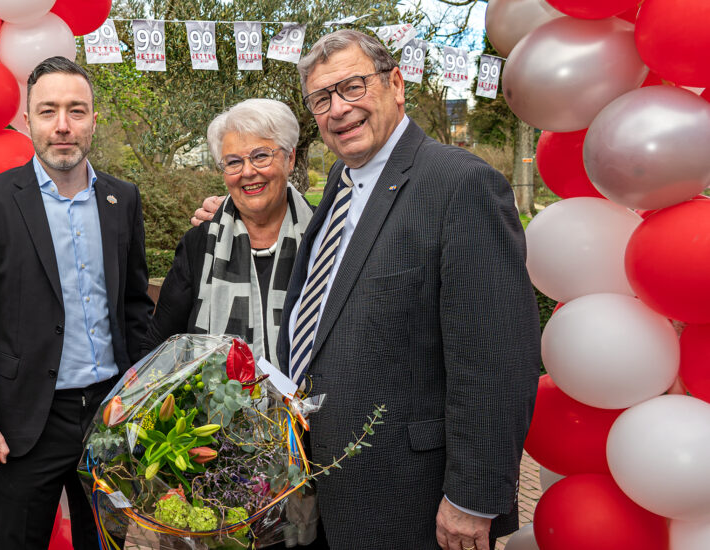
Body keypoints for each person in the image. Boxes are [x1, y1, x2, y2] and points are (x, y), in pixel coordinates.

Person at [193, 30, 541, 550]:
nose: (339, 109)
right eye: (322, 99)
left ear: (396, 84)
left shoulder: (458, 184)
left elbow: (495, 357)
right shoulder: (341, 180)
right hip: (327, 485)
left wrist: (473, 497)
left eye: (353, 87)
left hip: (408, 496)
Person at [0, 56, 154, 549]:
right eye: (48, 111)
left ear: (93, 120)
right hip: (25, 424)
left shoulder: (122, 199)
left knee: (110, 543)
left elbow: (133, 306)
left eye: (76, 110)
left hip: (110, 415)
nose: (63, 126)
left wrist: (144, 396)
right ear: (27, 121)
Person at [141, 98, 314, 366]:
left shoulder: (324, 235)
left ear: (289, 158)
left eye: (260, 156)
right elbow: (159, 348)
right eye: (233, 162)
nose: (248, 171)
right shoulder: (200, 244)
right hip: (218, 408)